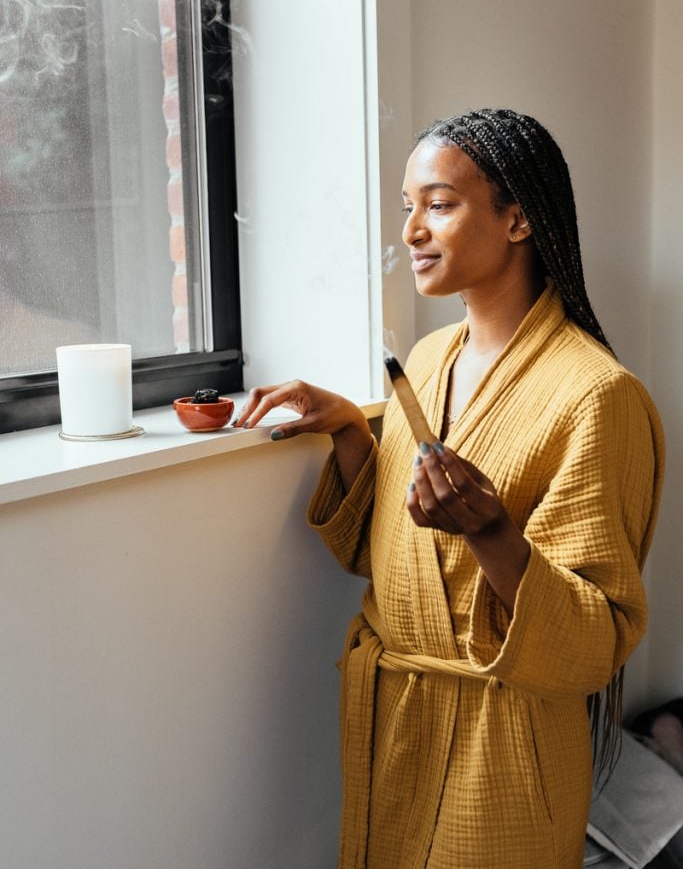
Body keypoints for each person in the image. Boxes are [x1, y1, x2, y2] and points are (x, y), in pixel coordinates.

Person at [233, 109, 664, 869]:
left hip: (506, 743)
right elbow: (394, 563)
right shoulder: (429, 361)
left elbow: (592, 641)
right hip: (398, 723)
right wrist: (351, 435)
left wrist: (491, 532)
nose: (411, 232)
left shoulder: (597, 395)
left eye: (438, 204)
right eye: (407, 208)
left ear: (518, 218)